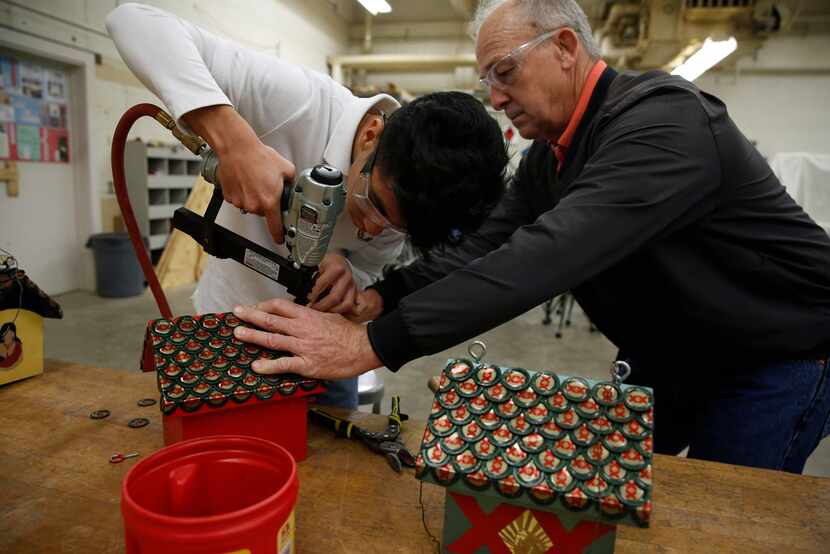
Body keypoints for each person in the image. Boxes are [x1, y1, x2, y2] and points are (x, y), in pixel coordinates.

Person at [230, 0, 830, 473]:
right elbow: (486, 244)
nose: (494, 96)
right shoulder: (551, 158)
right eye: (487, 77)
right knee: (636, 491)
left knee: (726, 512)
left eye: (506, 71)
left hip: (772, 354)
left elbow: (541, 259)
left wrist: (372, 345)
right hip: (678, 350)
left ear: (565, 48)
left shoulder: (662, 125)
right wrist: (382, 297)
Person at [106, 4, 508, 408]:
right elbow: (132, 21)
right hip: (230, 330)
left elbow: (370, 262)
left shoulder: (403, 208)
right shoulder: (297, 101)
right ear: (371, 135)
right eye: (375, 205)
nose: (370, 229)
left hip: (321, 350)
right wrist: (236, 142)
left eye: (392, 228)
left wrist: (352, 270)